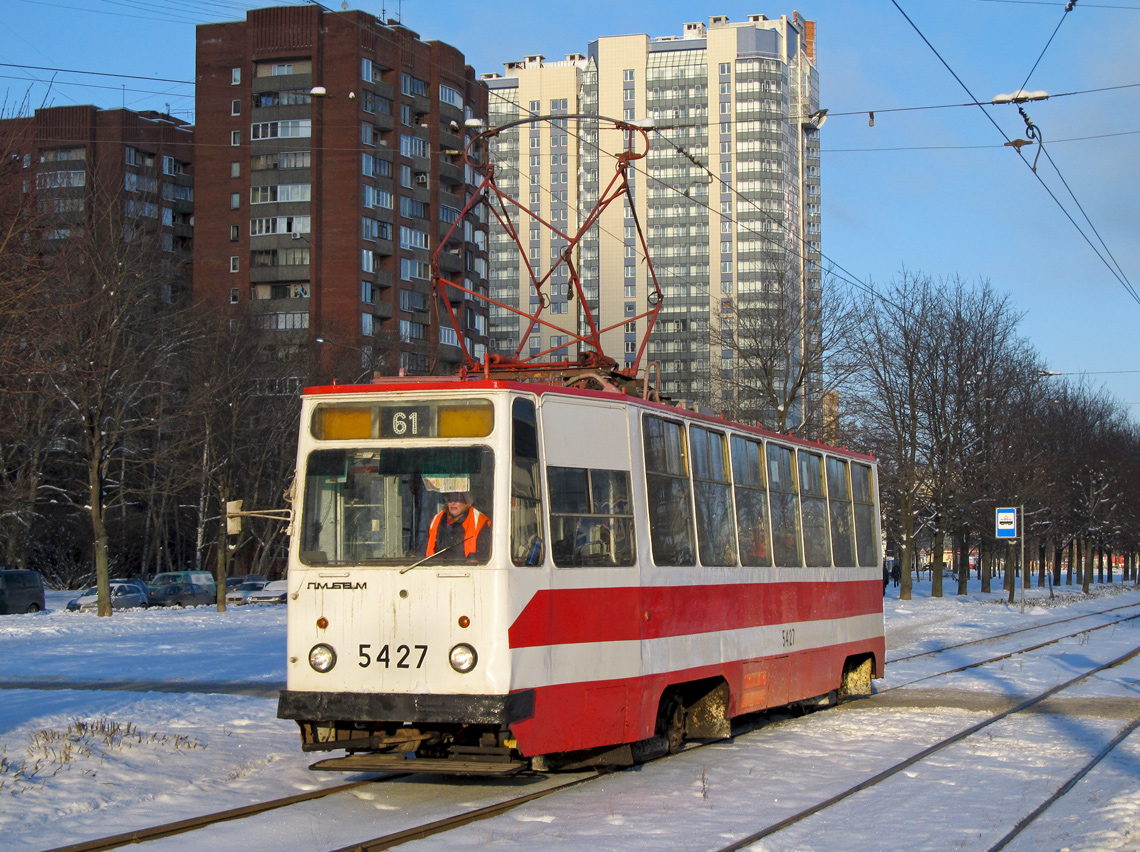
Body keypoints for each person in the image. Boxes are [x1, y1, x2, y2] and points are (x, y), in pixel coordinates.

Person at [426, 491, 491, 561]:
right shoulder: (437, 519)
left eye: (457, 500)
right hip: (437, 568)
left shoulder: (479, 520)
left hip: (466, 569)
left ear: (467, 503)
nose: (453, 503)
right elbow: (426, 548)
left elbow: (484, 553)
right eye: (450, 500)